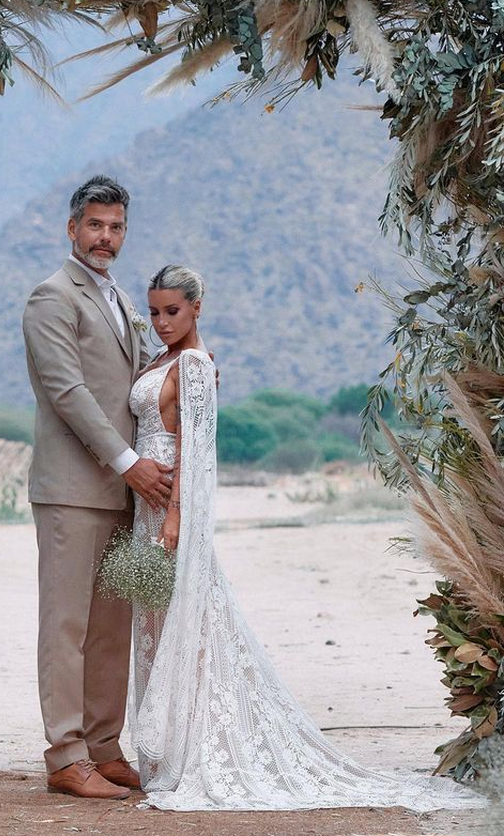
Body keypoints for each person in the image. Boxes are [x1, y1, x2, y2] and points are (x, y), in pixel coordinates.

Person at [127, 263, 483, 812]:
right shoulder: (161, 360)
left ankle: (191, 746)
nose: (161, 322)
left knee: (187, 622)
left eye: (171, 311)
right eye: (153, 312)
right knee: (157, 624)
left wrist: (178, 517)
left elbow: (198, 449)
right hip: (144, 502)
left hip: (173, 504)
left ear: (198, 307)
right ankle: (163, 746)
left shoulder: (195, 364)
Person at [22, 175, 172, 800]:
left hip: (122, 493)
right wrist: (127, 461)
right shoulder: (52, 298)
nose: (105, 238)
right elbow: (67, 394)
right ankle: (65, 755)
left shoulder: (117, 299)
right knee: (66, 625)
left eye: (115, 228)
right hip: (73, 489)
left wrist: (187, 362)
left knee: (112, 625)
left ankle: (105, 748)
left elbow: (134, 379)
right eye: (95, 226)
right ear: (72, 228)